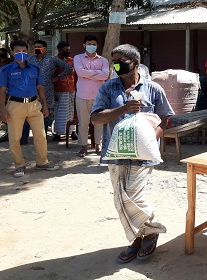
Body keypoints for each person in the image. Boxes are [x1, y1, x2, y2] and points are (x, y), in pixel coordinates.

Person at [90, 44, 174, 263]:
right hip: (114, 153)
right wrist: (124, 109)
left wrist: (150, 139)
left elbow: (165, 118)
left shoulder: (154, 89)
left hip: (143, 155)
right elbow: (96, 118)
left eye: (121, 62)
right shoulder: (107, 89)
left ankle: (145, 235)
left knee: (134, 196)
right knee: (120, 200)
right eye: (114, 62)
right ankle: (144, 235)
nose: (116, 65)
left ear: (135, 63)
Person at [0, 40, 60, 178]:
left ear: (28, 52)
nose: (21, 54)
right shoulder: (6, 70)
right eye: (18, 51)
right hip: (15, 106)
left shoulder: (34, 69)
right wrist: (2, 109)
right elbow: (2, 91)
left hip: (34, 105)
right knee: (15, 138)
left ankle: (42, 162)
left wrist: (45, 105)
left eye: (24, 51)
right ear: (12, 52)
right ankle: (19, 165)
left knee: (41, 136)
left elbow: (40, 88)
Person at [21, 39, 73, 145]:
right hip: (30, 90)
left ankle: (42, 137)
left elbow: (69, 68)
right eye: (35, 47)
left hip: (47, 90)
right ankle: (24, 138)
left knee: (45, 115)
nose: (36, 49)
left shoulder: (52, 59)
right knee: (27, 114)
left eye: (39, 47)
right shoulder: (29, 59)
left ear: (45, 49)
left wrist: (57, 78)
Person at [73, 35, 109, 157]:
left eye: (94, 44)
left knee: (99, 121)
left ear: (97, 45)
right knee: (83, 122)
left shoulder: (103, 60)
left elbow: (105, 76)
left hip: (99, 96)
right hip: (82, 95)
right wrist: (97, 72)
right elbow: (80, 72)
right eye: (89, 43)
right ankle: (83, 147)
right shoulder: (78, 58)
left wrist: (87, 74)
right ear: (84, 45)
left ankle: (98, 146)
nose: (92, 46)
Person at [53, 41, 77, 141]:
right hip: (59, 89)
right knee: (60, 112)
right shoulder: (54, 61)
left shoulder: (72, 61)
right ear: (59, 49)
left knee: (71, 111)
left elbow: (75, 76)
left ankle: (72, 131)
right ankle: (58, 133)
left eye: (69, 50)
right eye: (65, 50)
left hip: (71, 89)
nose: (68, 51)